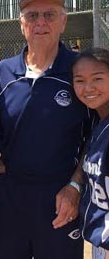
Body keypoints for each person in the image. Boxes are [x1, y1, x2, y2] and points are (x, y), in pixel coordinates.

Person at [0, 0, 97, 259]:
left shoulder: (79, 70)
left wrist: (76, 186)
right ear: (21, 24)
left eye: (49, 15)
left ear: (63, 21)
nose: (40, 22)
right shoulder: (3, 72)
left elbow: (96, 137)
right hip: (10, 197)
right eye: (32, 15)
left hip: (60, 197)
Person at [72, 48, 109, 259]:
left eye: (97, 78)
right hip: (100, 241)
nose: (88, 88)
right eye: (80, 80)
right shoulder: (99, 123)